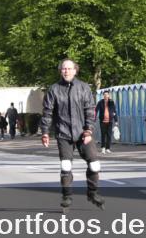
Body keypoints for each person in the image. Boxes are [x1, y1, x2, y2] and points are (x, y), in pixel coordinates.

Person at [40, 59, 102, 209]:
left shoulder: (84, 87)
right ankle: (67, 197)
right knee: (66, 165)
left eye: (69, 68)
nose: (66, 71)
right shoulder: (54, 89)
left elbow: (90, 110)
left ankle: (92, 192)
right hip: (63, 133)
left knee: (94, 165)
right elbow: (47, 113)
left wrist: (88, 130)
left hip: (83, 133)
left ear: (75, 70)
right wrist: (45, 132)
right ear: (60, 71)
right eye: (63, 69)